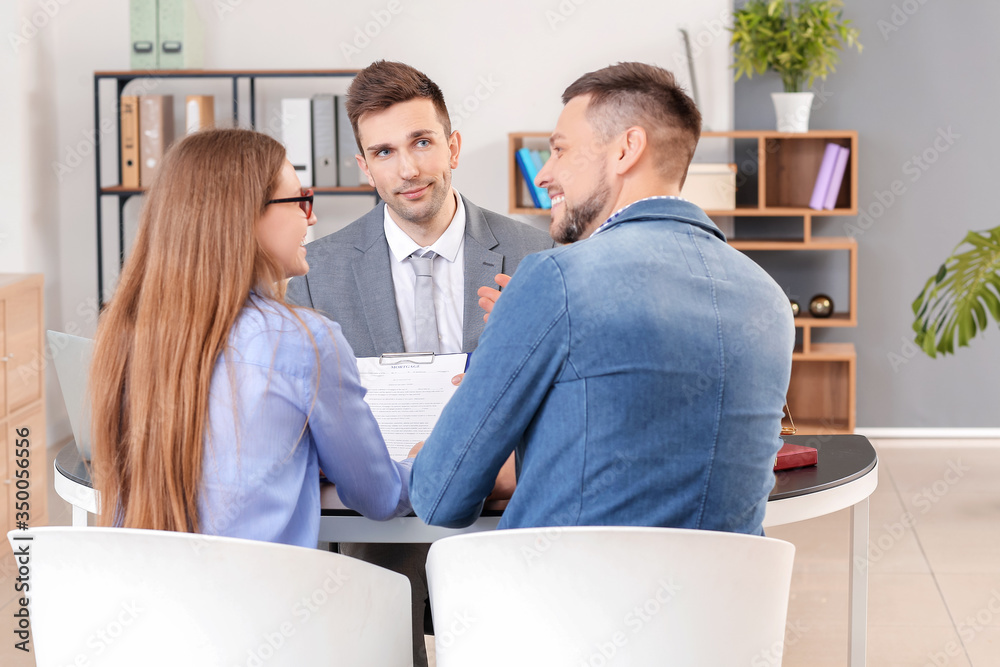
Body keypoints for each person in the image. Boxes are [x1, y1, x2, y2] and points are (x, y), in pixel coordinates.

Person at [411, 62, 795, 536]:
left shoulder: (554, 278)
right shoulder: (769, 298)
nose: (544, 174)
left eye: (559, 150)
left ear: (626, 150)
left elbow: (440, 498)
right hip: (726, 585)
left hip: (557, 583)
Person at [285, 60, 553, 667]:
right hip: (375, 515)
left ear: (452, 147)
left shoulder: (536, 253)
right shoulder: (316, 271)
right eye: (384, 152)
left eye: (422, 142)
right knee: (370, 609)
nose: (406, 169)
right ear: (364, 167)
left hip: (500, 511)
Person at [91, 128, 413, 548]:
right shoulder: (304, 339)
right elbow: (381, 496)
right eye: (299, 200)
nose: (311, 217)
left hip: (152, 588)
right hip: (268, 591)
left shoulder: (124, 333)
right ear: (244, 216)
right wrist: (421, 460)